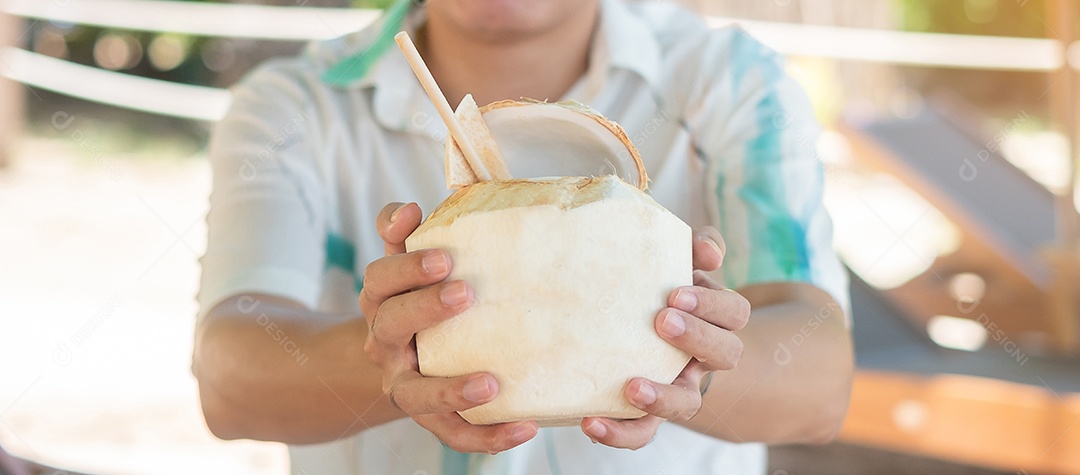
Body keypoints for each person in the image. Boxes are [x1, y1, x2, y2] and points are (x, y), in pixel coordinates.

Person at [192, 0, 854, 472]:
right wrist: (387, 353)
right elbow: (228, 379)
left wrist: (683, 362)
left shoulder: (731, 84)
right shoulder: (293, 106)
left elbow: (822, 382)